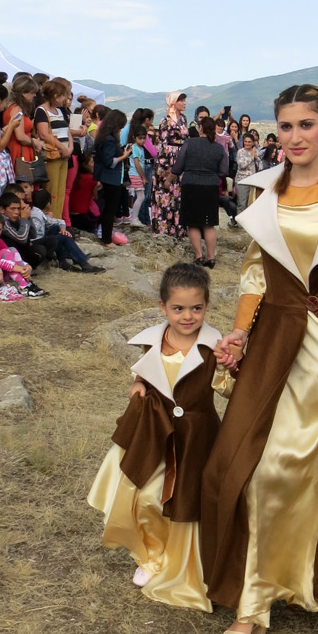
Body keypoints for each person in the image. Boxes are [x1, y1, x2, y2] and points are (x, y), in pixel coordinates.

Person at [203, 83, 318, 634]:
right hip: (274, 341)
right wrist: (239, 330)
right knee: (251, 465)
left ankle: (278, 590)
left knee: (309, 473)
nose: (295, 136)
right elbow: (255, 273)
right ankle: (252, 601)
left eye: (306, 124)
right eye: (285, 126)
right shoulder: (262, 190)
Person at [88, 263, 235, 606]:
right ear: (163, 307)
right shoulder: (155, 341)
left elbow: (228, 390)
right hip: (156, 431)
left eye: (196, 308)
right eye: (178, 308)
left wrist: (228, 368)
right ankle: (151, 556)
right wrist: (139, 384)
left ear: (206, 306)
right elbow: (146, 374)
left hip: (196, 436)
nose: (188, 316)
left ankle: (185, 558)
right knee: (149, 497)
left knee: (186, 500)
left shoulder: (212, 347)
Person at [173, 116, 229, 268]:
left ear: (201, 128)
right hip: (210, 186)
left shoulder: (189, 143)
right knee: (208, 224)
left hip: (191, 184)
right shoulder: (219, 148)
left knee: (193, 223)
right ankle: (210, 257)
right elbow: (224, 171)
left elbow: (178, 166)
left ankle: (198, 255)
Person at [0, 208, 46, 296]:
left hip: (1, 275)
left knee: (12, 250)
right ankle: (24, 287)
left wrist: (27, 267)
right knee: (5, 252)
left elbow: (11, 258)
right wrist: (20, 269)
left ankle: (27, 284)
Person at [34, 80, 72, 219]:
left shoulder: (60, 111)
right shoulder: (41, 111)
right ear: (55, 96)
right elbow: (44, 134)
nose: (65, 99)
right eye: (63, 96)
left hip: (64, 155)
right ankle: (52, 220)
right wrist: (62, 147)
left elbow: (67, 130)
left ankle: (58, 219)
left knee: (61, 191)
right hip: (53, 155)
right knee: (52, 191)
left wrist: (70, 147)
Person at [153, 92, 188, 239]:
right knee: (166, 196)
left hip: (181, 158)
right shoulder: (165, 121)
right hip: (167, 160)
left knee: (178, 195)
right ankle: (164, 229)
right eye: (181, 100)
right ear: (173, 102)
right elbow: (163, 144)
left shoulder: (184, 119)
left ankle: (178, 229)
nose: (184, 103)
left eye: (184, 100)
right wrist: (165, 166)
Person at [92, 109, 129, 246]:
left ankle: (104, 235)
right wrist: (124, 156)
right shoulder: (109, 140)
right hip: (110, 179)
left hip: (108, 178)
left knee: (107, 208)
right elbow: (109, 162)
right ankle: (107, 239)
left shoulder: (104, 137)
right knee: (110, 210)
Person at [234, 130, 259, 212]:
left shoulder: (255, 151)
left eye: (249, 142)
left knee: (251, 204)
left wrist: (257, 158)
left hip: (252, 181)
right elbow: (242, 165)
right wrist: (251, 157)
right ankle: (239, 220)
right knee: (242, 204)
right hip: (242, 181)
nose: (247, 143)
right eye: (245, 141)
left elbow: (260, 166)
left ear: (253, 143)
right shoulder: (240, 152)